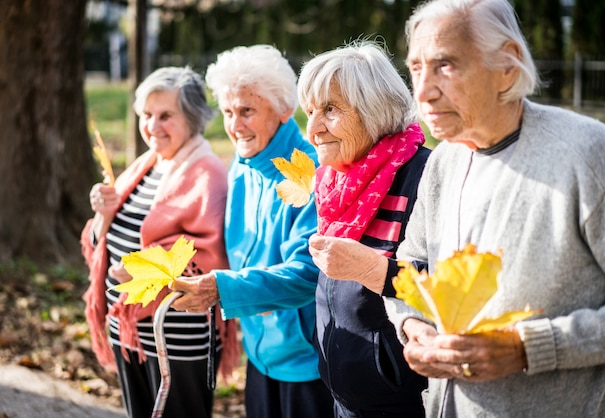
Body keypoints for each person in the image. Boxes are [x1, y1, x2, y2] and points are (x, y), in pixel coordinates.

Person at [308, 0, 605, 416]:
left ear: (508, 66)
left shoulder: (585, 151)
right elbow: (413, 269)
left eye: (446, 65)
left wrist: (525, 348)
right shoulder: (444, 161)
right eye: (417, 68)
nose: (422, 91)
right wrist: (412, 327)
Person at [170, 45, 334, 418]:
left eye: (247, 111)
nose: (235, 125)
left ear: (283, 109)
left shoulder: (308, 171)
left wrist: (224, 288)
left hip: (306, 361)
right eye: (228, 112)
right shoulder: (242, 166)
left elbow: (309, 273)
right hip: (259, 356)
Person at [81, 66, 239, 418]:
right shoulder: (149, 162)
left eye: (165, 116)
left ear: (192, 117)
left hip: (176, 337)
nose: (152, 127)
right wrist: (103, 216)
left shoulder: (207, 172)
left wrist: (140, 270)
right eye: (147, 115)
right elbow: (103, 237)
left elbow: (209, 256)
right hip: (131, 328)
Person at [298, 40, 431, 417]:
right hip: (343, 398)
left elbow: (450, 285)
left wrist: (372, 271)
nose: (312, 129)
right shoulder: (333, 181)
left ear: (374, 110)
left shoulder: (422, 176)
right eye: (309, 110)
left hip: (400, 403)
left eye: (329, 109)